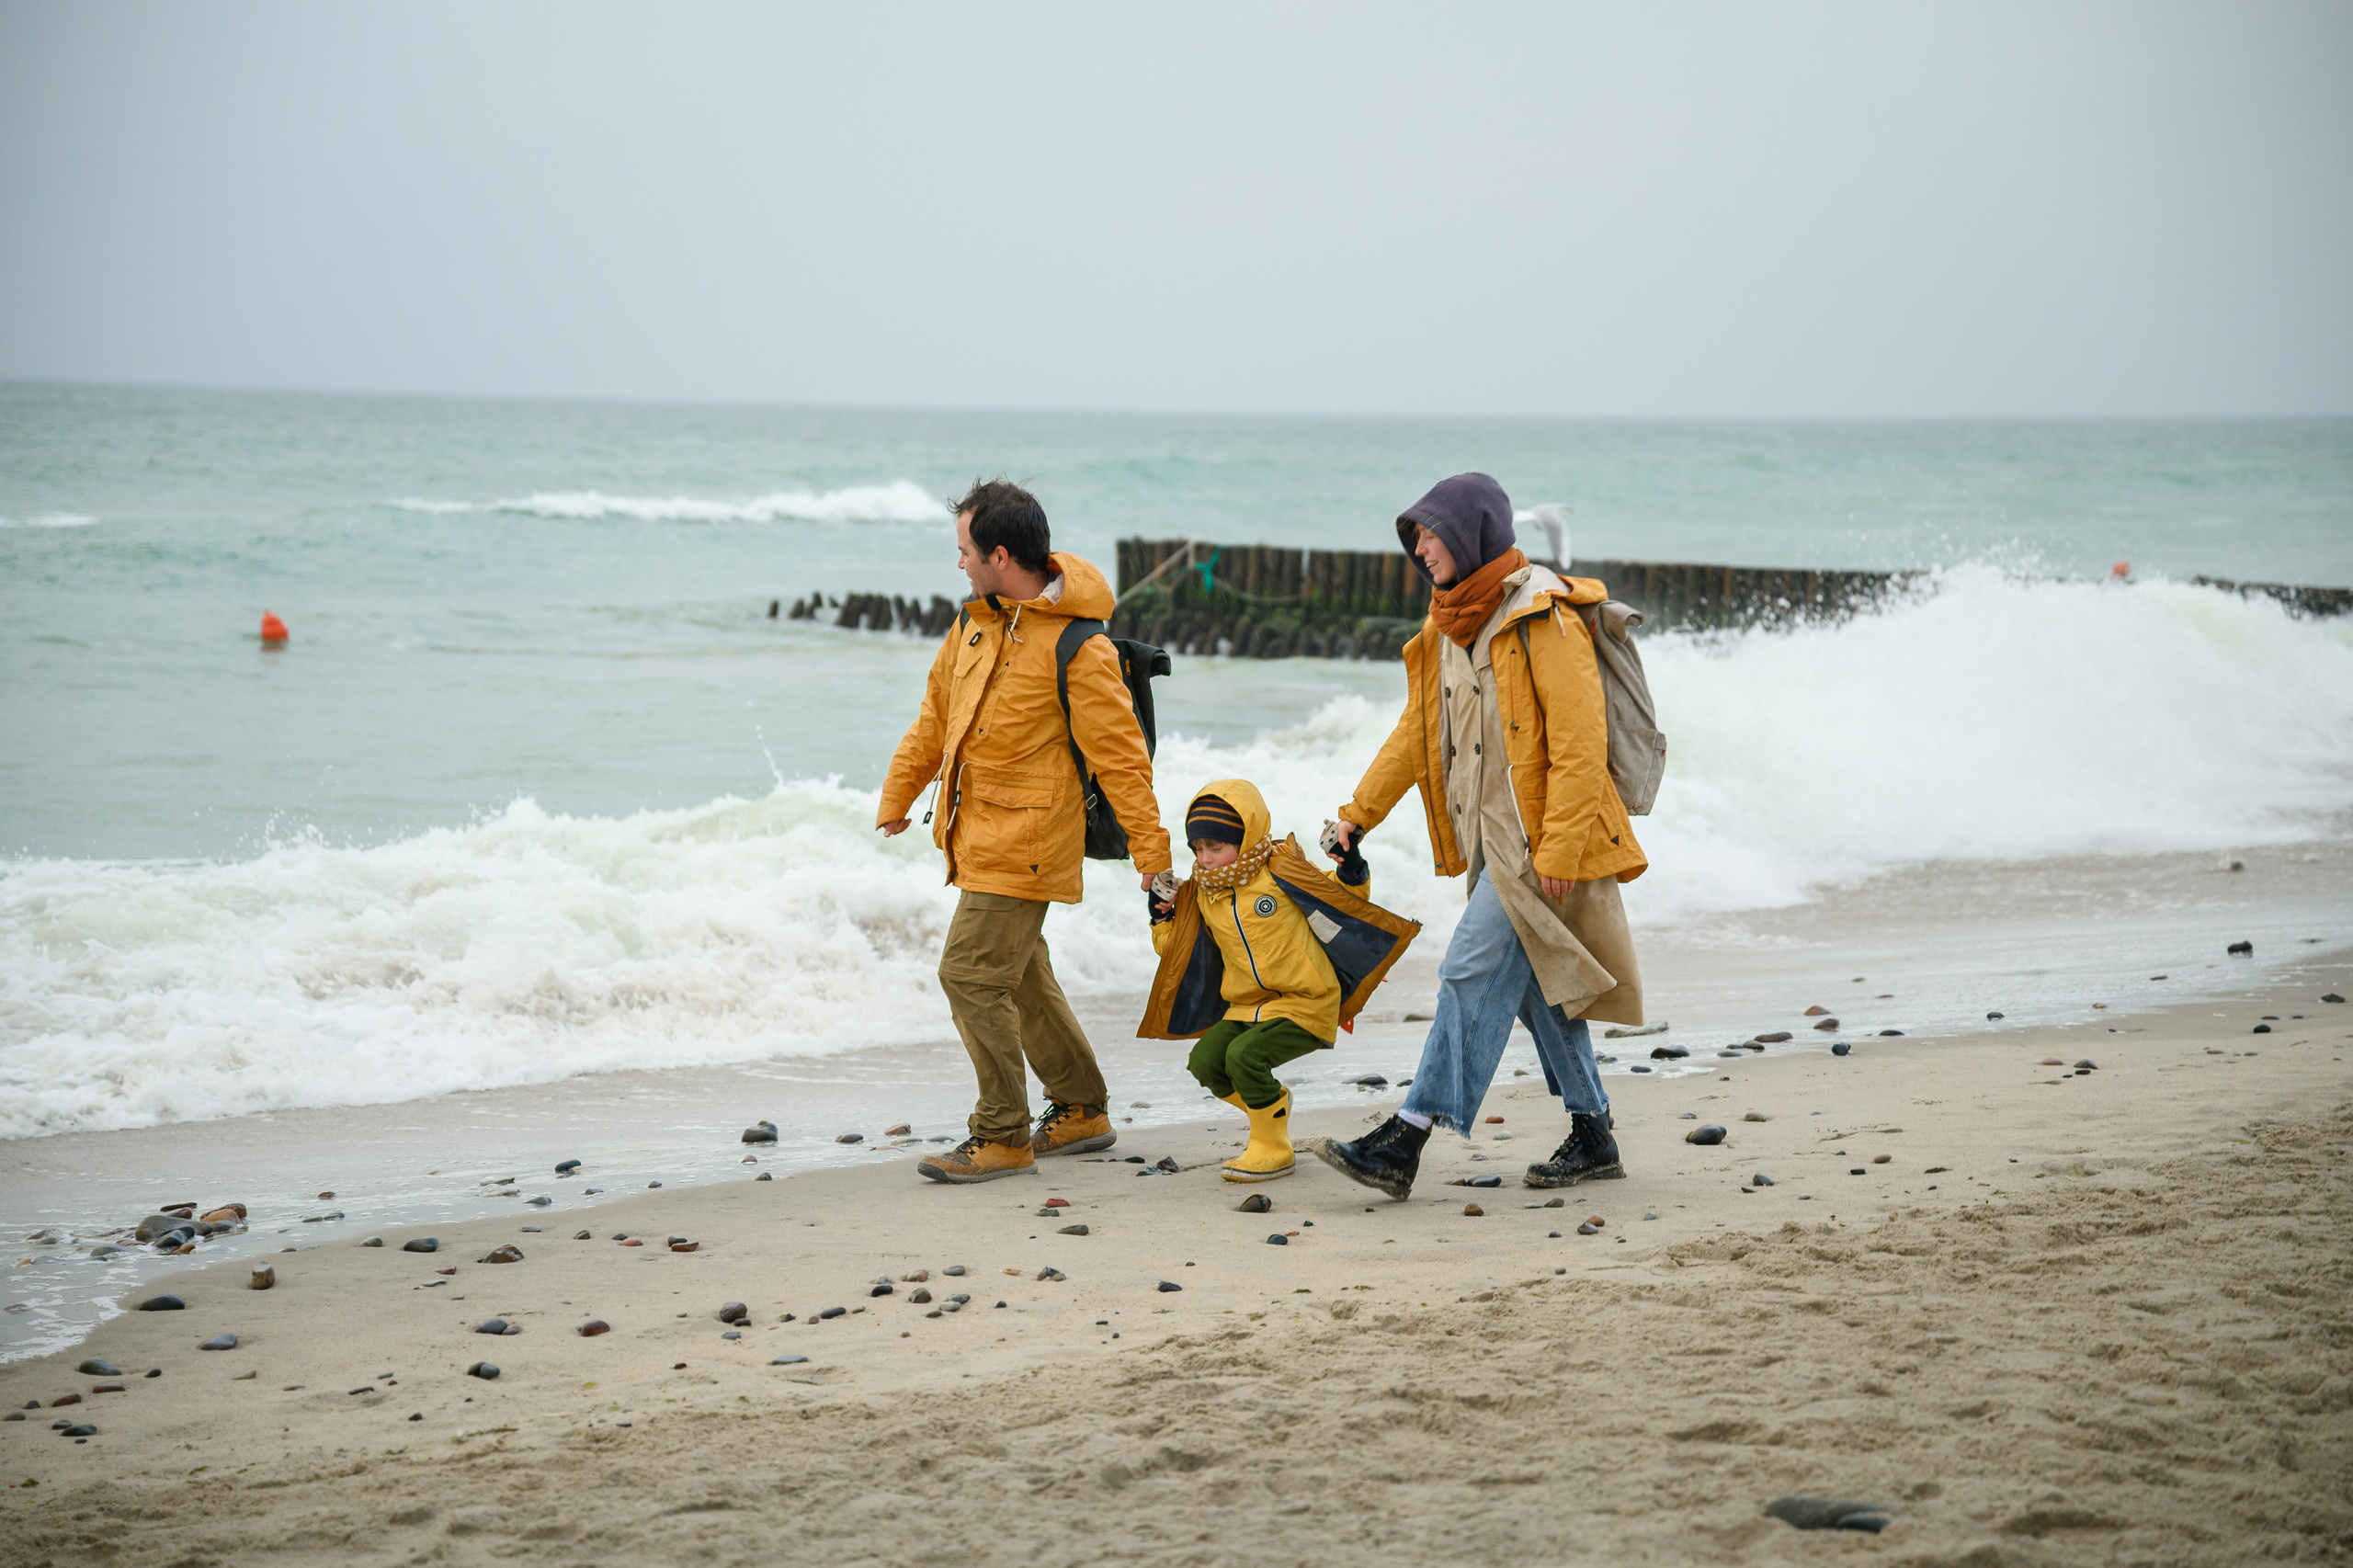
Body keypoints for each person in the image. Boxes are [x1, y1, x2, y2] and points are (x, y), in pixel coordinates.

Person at [1311, 472, 1647, 1201]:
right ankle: (1594, 1133)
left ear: (1471, 536)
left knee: (1466, 970)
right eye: (1416, 538)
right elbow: (1416, 735)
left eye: (1431, 536)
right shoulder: (1447, 626)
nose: (1421, 550)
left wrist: (1560, 848)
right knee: (1539, 992)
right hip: (1489, 840)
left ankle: (1406, 1137)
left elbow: (1581, 743)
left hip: (1537, 845)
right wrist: (1358, 814)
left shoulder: (1542, 617)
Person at [878, 479, 1172, 1184]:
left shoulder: (1079, 646)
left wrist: (1152, 852)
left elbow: (1121, 758)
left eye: (965, 551)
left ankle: (1002, 1133)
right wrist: (899, 793)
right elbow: (934, 717)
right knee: (1023, 976)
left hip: (1031, 845)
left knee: (970, 975)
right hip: (975, 833)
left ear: (1001, 556)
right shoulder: (973, 624)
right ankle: (1082, 1108)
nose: (959, 564)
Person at [1138, 779, 1418, 1182]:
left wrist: (1352, 867)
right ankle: (1272, 1106)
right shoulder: (1202, 892)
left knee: (1244, 1058)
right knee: (1206, 1063)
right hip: (1247, 1006)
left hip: (1308, 999)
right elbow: (1177, 951)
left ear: (1245, 837)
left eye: (1215, 846)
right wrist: (1161, 918)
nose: (1206, 858)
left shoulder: (1281, 869)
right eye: (1198, 849)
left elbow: (1342, 897)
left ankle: (1273, 1146)